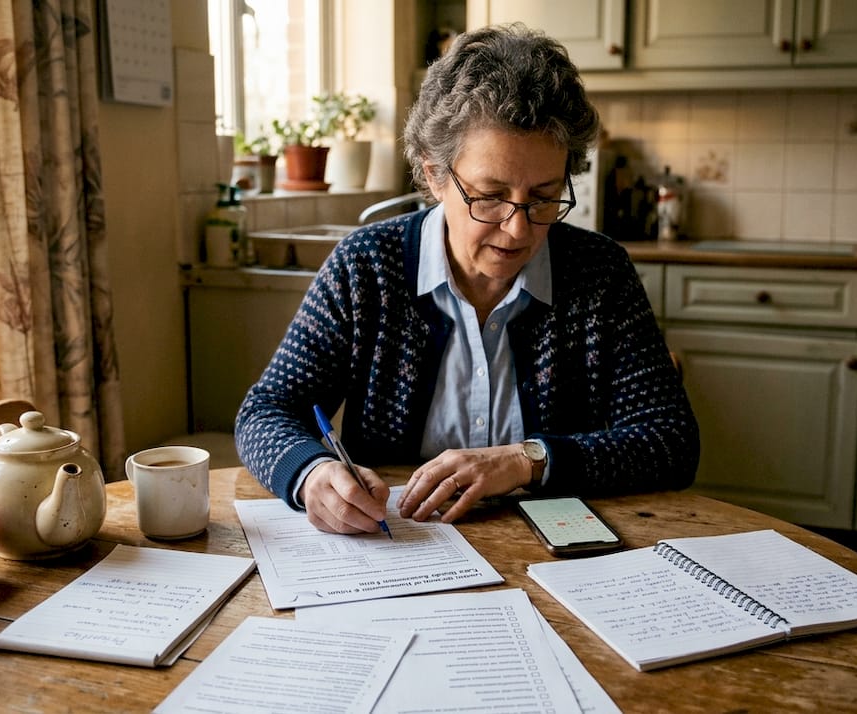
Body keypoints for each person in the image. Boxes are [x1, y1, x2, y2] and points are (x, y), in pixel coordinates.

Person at [235, 23, 699, 535]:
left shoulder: (600, 272)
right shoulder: (365, 267)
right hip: (399, 548)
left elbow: (670, 441)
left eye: (544, 197)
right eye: (491, 196)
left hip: (555, 552)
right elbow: (265, 413)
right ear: (435, 175)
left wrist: (526, 460)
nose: (518, 228)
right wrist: (312, 473)